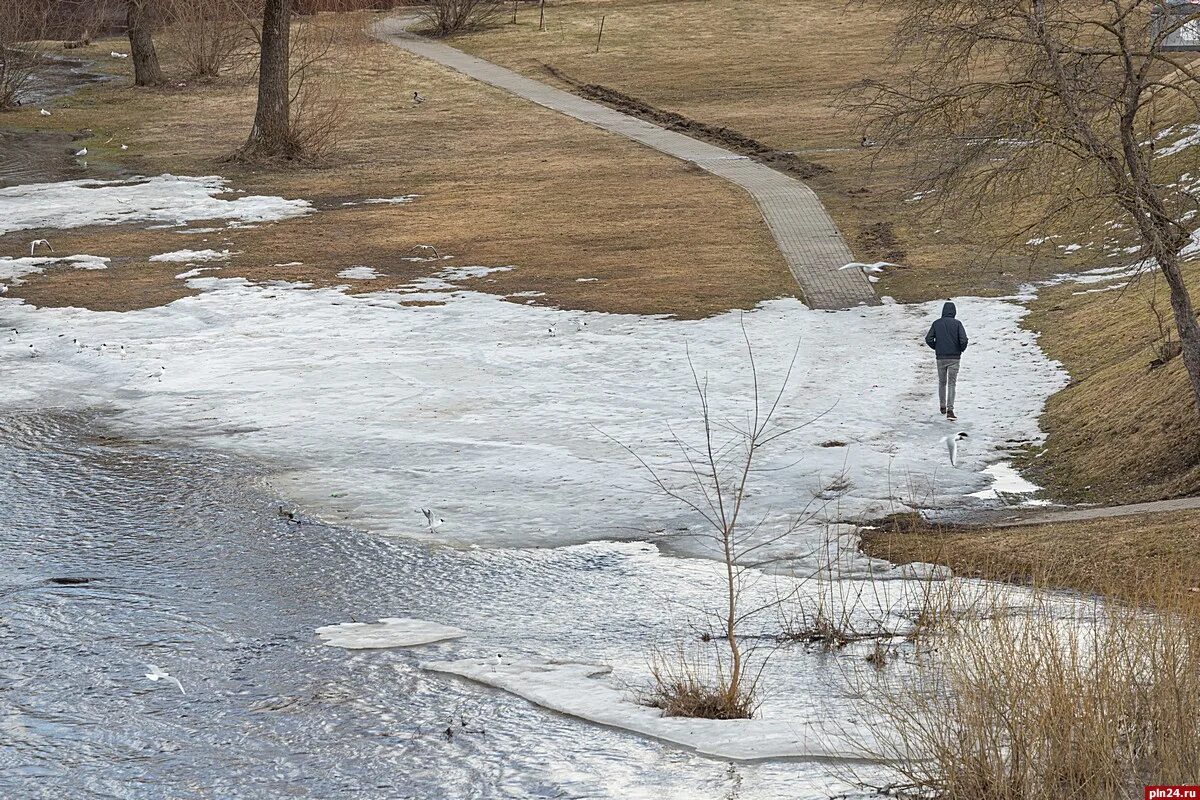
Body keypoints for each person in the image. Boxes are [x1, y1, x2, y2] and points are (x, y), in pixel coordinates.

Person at [925, 301, 968, 421]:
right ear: (954, 312)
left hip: (940, 357)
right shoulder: (958, 324)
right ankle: (950, 409)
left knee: (942, 382)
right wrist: (960, 349)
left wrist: (937, 347)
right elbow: (963, 340)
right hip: (954, 358)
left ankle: (942, 406)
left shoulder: (936, 323)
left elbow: (928, 338)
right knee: (952, 383)